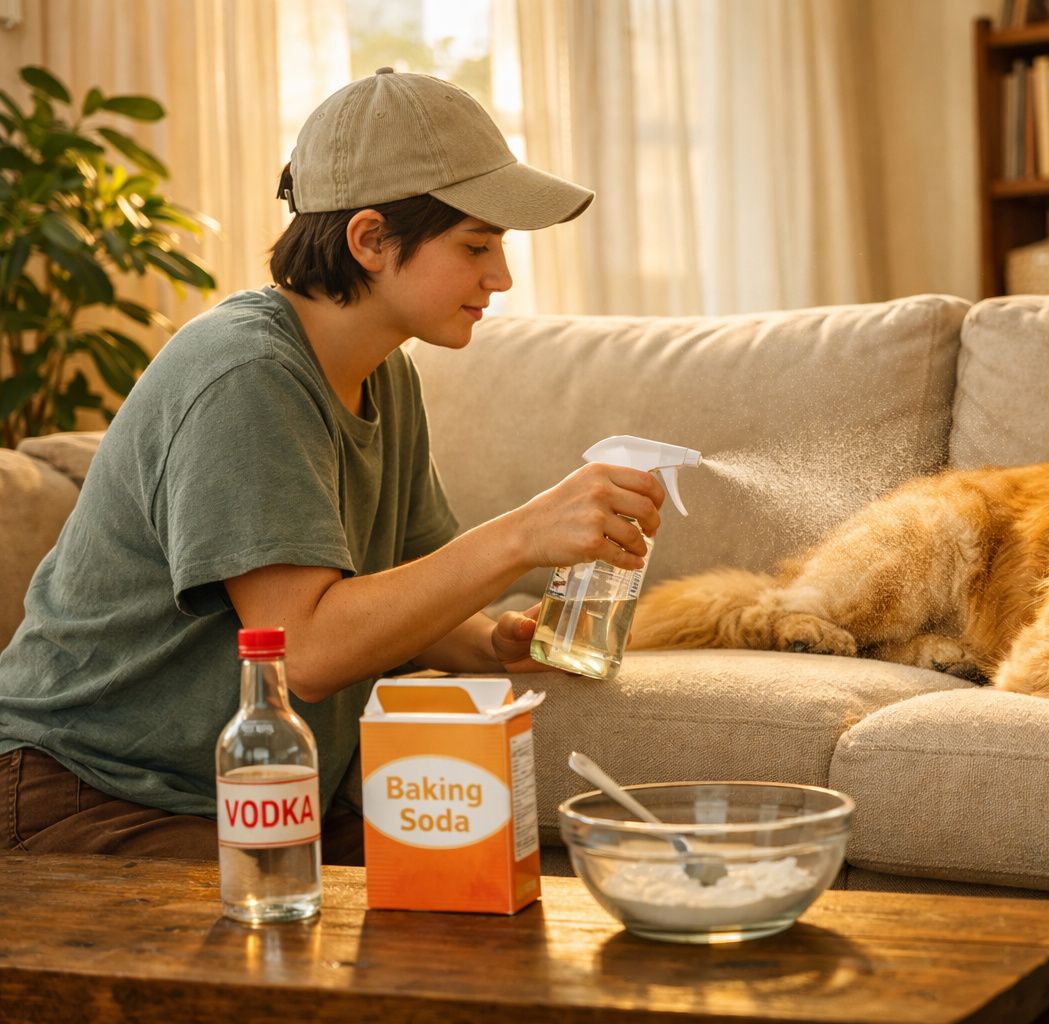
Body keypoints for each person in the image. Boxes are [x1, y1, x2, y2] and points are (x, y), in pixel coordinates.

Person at [0, 68, 664, 862]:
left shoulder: (386, 372)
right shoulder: (246, 372)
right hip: (83, 792)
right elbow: (305, 650)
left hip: (253, 792)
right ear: (371, 240)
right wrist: (525, 534)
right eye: (476, 245)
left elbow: (413, 587)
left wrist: (492, 644)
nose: (501, 277)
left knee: (468, 909)